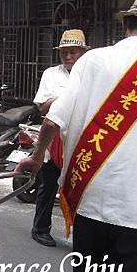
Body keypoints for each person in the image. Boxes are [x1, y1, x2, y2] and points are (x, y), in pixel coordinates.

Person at [17, 0, 137, 272]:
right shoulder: (71, 67)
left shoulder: (93, 60)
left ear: (125, 23)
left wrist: (35, 159)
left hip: (90, 200)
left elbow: (52, 121)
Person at [31, 29, 88, 247]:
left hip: (80, 141)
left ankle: (82, 235)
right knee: (48, 185)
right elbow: (42, 107)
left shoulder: (89, 75)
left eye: (72, 52)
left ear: (82, 52)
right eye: (64, 52)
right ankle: (40, 229)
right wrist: (60, 99)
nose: (68, 56)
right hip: (54, 139)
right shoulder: (51, 74)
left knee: (81, 190)